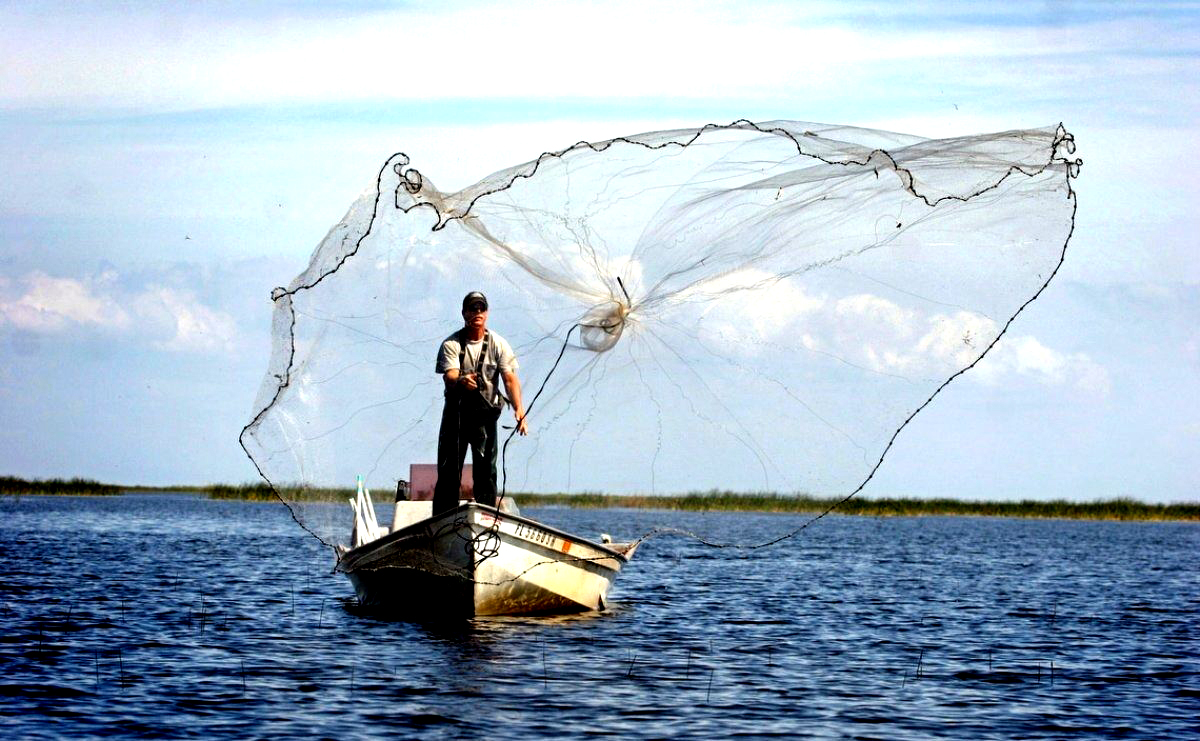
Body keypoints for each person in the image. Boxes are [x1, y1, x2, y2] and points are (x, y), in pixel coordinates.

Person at [433, 291, 528, 514]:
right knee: (449, 472)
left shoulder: (499, 344)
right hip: (456, 417)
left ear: (486, 313)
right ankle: (443, 519)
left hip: (485, 419)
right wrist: (461, 381)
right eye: (472, 308)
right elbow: (449, 377)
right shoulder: (452, 344)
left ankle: (486, 518)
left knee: (486, 472)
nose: (477, 312)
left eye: (481, 308)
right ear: (463, 312)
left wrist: (519, 410)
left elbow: (510, 379)